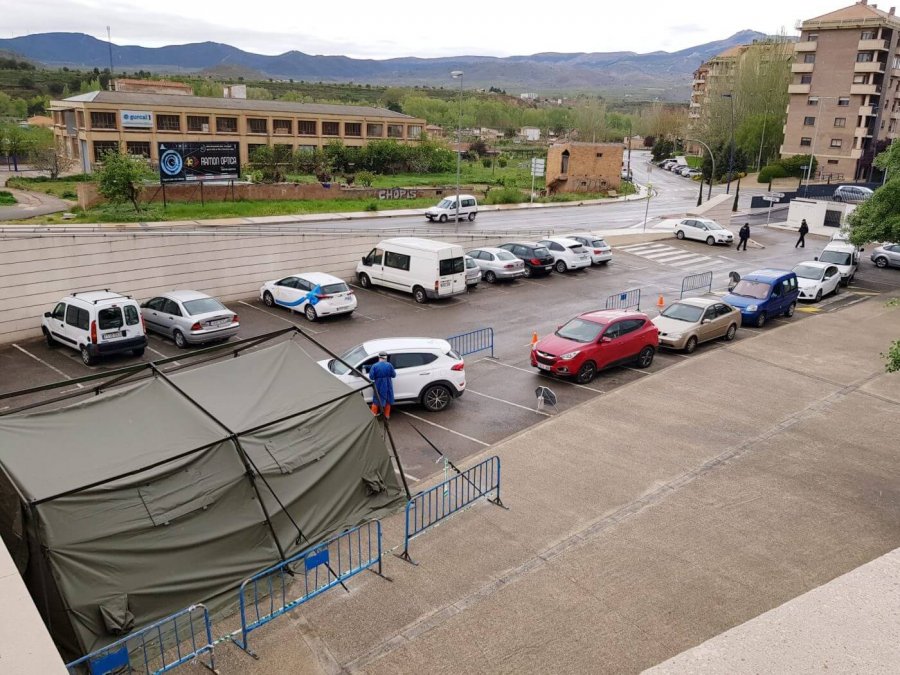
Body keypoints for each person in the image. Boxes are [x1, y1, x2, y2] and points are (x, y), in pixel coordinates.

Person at [368, 352, 396, 419]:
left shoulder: (375, 366)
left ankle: (373, 415)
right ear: (386, 357)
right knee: (387, 400)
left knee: (376, 400)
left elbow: (371, 377)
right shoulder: (389, 365)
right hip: (388, 385)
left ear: (379, 357)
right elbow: (394, 375)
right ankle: (386, 416)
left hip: (378, 385)